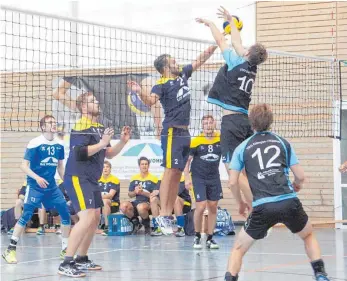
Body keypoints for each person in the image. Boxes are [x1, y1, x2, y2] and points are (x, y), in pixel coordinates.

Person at [226, 104, 331, 281]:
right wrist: (297, 185)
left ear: (251, 123)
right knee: (308, 235)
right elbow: (300, 175)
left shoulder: (242, 147)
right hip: (288, 202)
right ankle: (320, 275)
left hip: (262, 206)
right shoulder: (282, 142)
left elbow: (232, 182)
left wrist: (241, 203)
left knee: (238, 249)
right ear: (270, 122)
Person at [137, 45, 218, 234]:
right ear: (165, 67)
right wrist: (138, 91)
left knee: (176, 174)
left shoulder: (182, 75)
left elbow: (199, 60)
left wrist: (214, 45)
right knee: (169, 171)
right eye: (173, 61)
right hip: (172, 132)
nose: (177, 63)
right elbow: (150, 102)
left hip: (185, 133)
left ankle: (168, 215)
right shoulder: (161, 84)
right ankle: (164, 215)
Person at [196, 6, 268, 205]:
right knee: (243, 170)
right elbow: (237, 42)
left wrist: (211, 24)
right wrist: (230, 20)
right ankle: (251, 203)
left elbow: (223, 41)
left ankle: (256, 207)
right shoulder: (251, 67)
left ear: (247, 52)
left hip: (232, 123)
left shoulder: (236, 62)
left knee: (233, 173)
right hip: (245, 122)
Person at [58, 91, 131, 277]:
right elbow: (80, 153)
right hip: (77, 178)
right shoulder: (81, 125)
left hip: (91, 180)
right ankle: (67, 262)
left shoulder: (98, 127)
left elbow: (109, 153)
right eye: (92, 101)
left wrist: (122, 142)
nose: (97, 102)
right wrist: (102, 143)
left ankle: (82, 259)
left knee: (96, 217)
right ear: (83, 107)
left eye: (96, 100)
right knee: (87, 217)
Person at [2, 115, 71, 264]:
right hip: (35, 187)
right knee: (26, 215)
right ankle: (10, 249)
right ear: (43, 127)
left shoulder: (59, 144)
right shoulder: (35, 143)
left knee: (65, 214)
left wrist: (67, 182)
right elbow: (23, 166)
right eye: (50, 122)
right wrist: (37, 178)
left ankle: (65, 249)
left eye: (54, 121)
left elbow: (60, 166)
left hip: (52, 187)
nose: (53, 124)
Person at [184, 115, 222, 249]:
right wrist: (187, 178)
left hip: (214, 177)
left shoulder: (221, 139)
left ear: (214, 124)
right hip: (199, 178)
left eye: (210, 122)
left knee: (212, 207)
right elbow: (187, 162)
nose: (208, 125)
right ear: (202, 126)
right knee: (200, 206)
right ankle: (197, 236)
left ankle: (210, 238)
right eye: (205, 123)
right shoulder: (196, 141)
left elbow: (228, 157)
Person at [120, 157, 160, 235]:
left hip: (148, 202)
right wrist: (135, 192)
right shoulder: (134, 178)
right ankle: (136, 222)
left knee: (140, 207)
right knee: (123, 206)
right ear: (139, 166)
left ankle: (147, 225)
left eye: (146, 164)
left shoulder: (154, 179)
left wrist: (142, 192)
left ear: (148, 166)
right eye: (142, 164)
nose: (144, 166)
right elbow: (130, 194)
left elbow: (154, 196)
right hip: (136, 201)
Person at [157, 173, 192, 237]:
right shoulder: (162, 177)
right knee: (154, 199)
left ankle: (180, 228)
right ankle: (157, 228)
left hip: (184, 203)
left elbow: (176, 192)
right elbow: (157, 191)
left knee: (175, 198)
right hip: (168, 203)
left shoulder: (182, 177)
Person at [98, 161, 121, 235]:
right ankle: (93, 227)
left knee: (105, 201)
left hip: (113, 203)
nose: (105, 169)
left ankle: (107, 226)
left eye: (107, 167)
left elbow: (110, 195)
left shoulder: (115, 179)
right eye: (103, 167)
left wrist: (98, 196)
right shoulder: (97, 179)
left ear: (110, 169)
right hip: (99, 203)